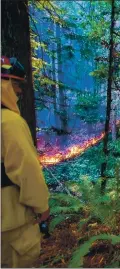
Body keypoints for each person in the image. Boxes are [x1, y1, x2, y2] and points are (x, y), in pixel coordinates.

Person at [1, 56, 50, 267]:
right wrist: (42, 206)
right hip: (10, 221)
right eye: (15, 84)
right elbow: (27, 171)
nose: (19, 92)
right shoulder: (9, 123)